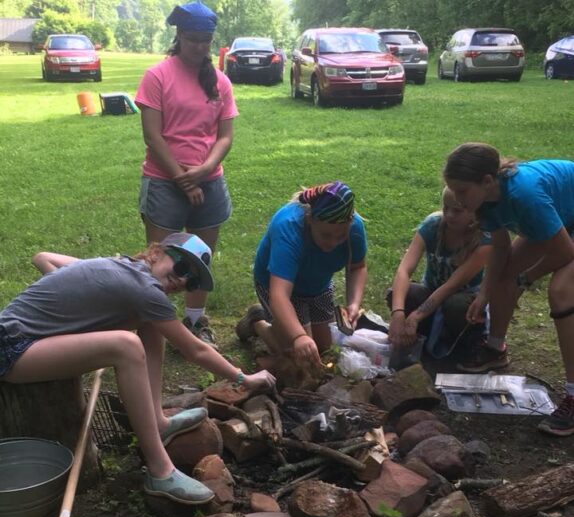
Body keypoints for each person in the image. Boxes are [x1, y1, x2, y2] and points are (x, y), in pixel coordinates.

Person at [0, 233, 276, 504]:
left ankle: (157, 421)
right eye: (181, 267)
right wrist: (244, 378)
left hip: (25, 342)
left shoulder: (119, 266)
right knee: (126, 346)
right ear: (155, 253)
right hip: (12, 350)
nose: (182, 280)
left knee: (149, 324)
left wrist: (75, 312)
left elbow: (44, 259)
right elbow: (195, 349)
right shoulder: (143, 288)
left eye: (191, 281)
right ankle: (160, 471)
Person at [443, 142, 574, 436]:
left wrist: (527, 278)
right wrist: (486, 292)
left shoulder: (524, 194)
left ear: (487, 181)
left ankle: (573, 395)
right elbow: (500, 249)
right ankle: (495, 347)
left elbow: (564, 252)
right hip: (559, 218)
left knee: (562, 291)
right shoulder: (486, 201)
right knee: (502, 277)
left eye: (463, 191)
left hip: (564, 221)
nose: (459, 200)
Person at [135, 1, 238, 349]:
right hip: (164, 181)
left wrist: (206, 170)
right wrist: (182, 178)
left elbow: (225, 136)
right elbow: (153, 135)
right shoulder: (157, 76)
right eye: (193, 39)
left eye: (205, 40)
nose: (199, 46)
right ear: (179, 36)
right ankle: (155, 326)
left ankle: (195, 323)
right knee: (159, 259)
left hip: (209, 181)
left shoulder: (220, 81)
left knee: (201, 256)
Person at [235, 181, 368, 366]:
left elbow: (357, 267)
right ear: (310, 219)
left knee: (323, 348)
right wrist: (298, 337)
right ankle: (257, 322)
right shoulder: (288, 228)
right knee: (297, 355)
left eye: (341, 236)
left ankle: (283, 328)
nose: (333, 242)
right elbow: (280, 295)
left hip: (318, 285)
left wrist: (353, 304)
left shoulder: (354, 228)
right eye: (326, 235)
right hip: (277, 286)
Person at [387, 186, 491, 358]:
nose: (449, 215)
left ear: (474, 211)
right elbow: (404, 269)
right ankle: (423, 334)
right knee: (398, 294)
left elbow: (451, 286)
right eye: (446, 208)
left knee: (455, 304)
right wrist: (397, 312)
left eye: (457, 210)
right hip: (430, 291)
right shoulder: (432, 225)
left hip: (463, 297)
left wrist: (415, 316)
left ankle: (467, 340)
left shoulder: (484, 240)